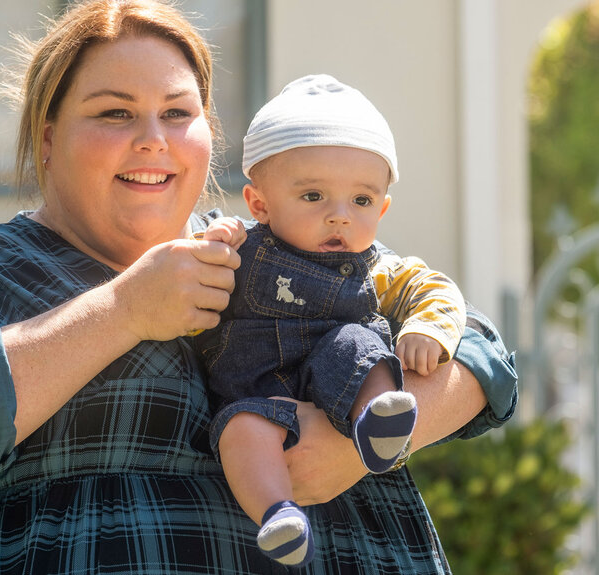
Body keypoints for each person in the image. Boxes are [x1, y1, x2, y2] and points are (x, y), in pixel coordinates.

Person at [0, 1, 517, 573]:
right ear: (47, 138)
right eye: (114, 114)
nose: (152, 140)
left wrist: (356, 448)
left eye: (176, 113)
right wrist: (125, 309)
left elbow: (483, 352)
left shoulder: (275, 247)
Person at [193, 74, 467, 567]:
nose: (340, 217)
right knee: (238, 430)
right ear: (259, 203)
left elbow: (435, 289)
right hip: (257, 397)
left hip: (343, 392)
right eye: (314, 196)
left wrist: (428, 329)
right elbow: (191, 306)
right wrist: (208, 253)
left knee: (361, 346)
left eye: (361, 201)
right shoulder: (238, 251)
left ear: (381, 209)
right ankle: (279, 516)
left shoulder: (377, 268)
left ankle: (380, 421)